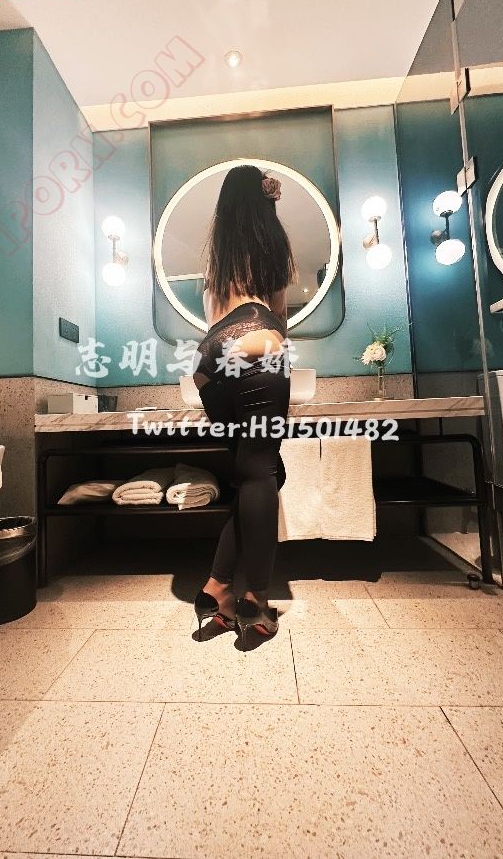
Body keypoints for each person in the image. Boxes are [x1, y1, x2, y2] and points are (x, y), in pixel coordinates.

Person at [192, 164, 297, 648]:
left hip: (208, 357)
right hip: (258, 337)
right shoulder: (270, 245)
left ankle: (217, 592)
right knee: (261, 472)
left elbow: (214, 319)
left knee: (256, 472)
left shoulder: (217, 260)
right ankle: (256, 599)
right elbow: (279, 314)